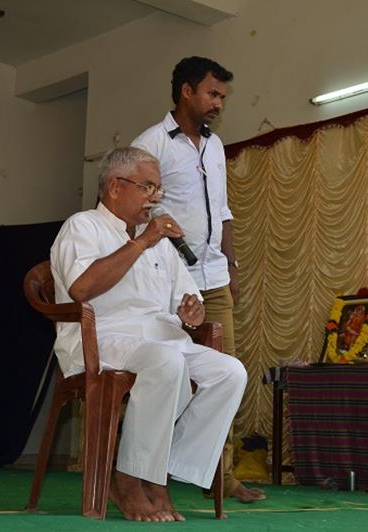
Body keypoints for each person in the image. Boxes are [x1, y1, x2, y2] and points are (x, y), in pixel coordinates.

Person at [49, 147, 247, 522]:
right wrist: (141, 242)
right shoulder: (83, 226)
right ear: (115, 187)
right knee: (167, 361)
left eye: (158, 189)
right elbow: (81, 288)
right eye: (147, 187)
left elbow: (187, 301)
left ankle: (157, 472)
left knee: (229, 372)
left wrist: (192, 312)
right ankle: (130, 478)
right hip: (102, 337)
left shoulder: (158, 241)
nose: (155, 198)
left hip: (163, 337)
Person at [131, 56, 265, 503]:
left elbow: (222, 211)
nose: (218, 103)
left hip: (213, 276)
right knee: (164, 373)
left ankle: (219, 476)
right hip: (167, 281)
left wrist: (231, 265)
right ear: (186, 91)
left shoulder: (215, 145)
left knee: (226, 374)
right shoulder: (151, 144)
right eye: (212, 93)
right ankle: (145, 470)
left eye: (222, 96)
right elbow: (136, 212)